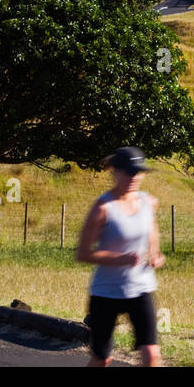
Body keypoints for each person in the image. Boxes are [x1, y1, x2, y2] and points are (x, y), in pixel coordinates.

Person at [75, 146, 165, 367]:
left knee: (152, 354)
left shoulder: (148, 202)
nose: (135, 177)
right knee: (102, 358)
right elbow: (83, 253)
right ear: (115, 172)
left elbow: (151, 232)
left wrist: (155, 254)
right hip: (106, 292)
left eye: (139, 172)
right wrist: (120, 258)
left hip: (141, 288)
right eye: (129, 172)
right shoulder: (104, 207)